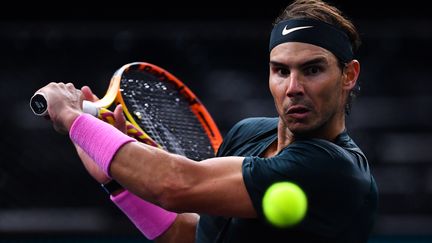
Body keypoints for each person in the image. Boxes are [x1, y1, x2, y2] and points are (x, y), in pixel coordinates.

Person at [34, 0, 378, 242]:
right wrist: (117, 183)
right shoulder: (248, 134)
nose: (293, 88)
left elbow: (174, 185)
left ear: (348, 75)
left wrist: (72, 117)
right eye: (280, 70)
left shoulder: (336, 171)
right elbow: (190, 236)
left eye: (312, 70)